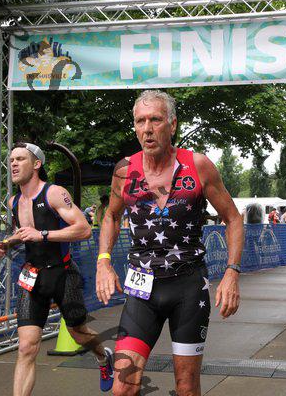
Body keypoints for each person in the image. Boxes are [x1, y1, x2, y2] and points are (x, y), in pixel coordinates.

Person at [95, 91, 244, 396]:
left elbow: (233, 218)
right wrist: (103, 262)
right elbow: (111, 215)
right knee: (123, 386)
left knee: (186, 387)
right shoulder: (124, 170)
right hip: (142, 288)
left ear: (172, 125)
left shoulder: (198, 165)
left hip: (187, 287)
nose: (147, 129)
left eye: (155, 120)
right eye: (140, 121)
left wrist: (232, 272)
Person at [0, 142, 114, 396]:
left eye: (20, 159)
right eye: (11, 160)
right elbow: (24, 233)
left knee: (79, 333)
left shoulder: (54, 193)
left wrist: (43, 234)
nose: (13, 164)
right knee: (26, 347)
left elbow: (84, 229)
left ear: (36, 164)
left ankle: (103, 357)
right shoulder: (14, 201)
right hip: (32, 276)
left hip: (63, 274)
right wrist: (6, 243)